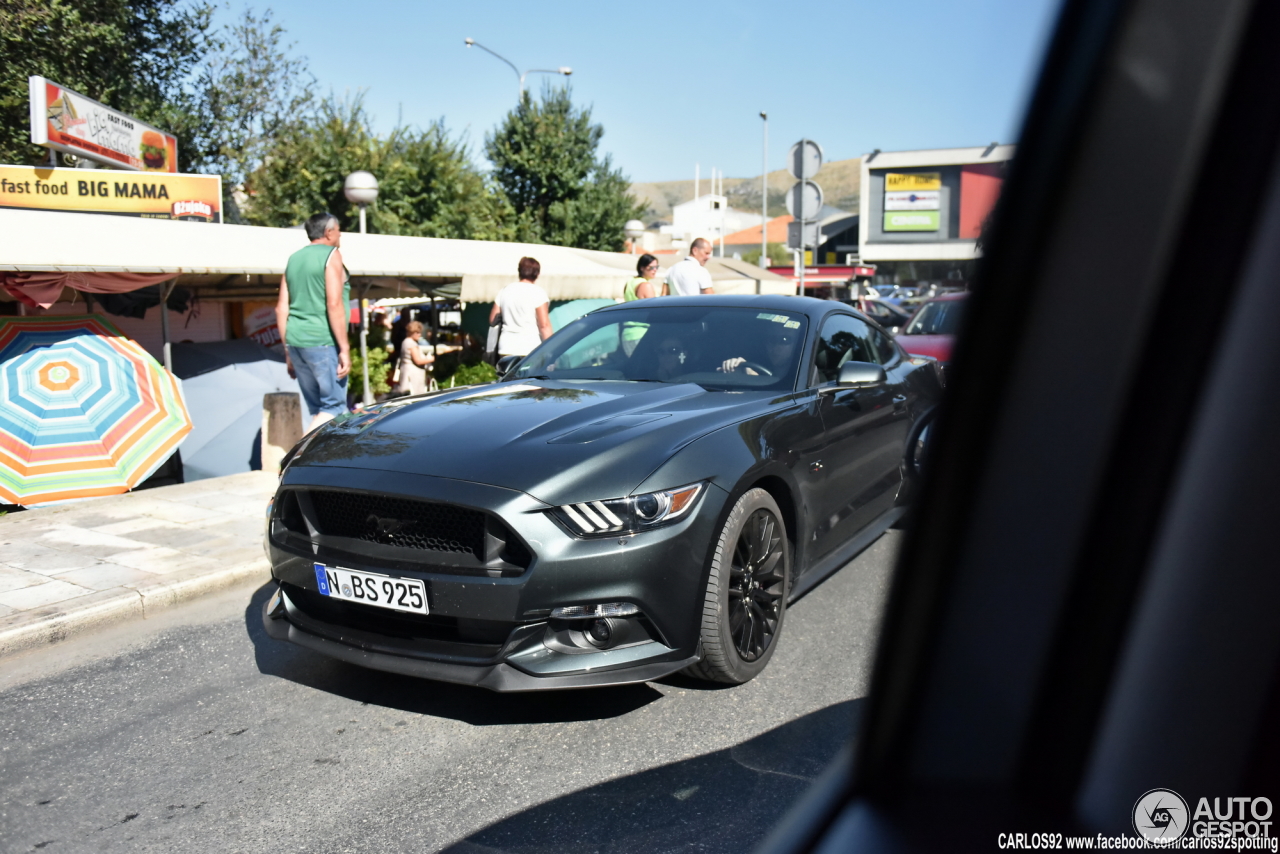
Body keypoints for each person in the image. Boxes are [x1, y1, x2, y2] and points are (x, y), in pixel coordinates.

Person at [276, 212, 350, 431]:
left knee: (319, 409)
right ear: (328, 232)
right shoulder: (332, 254)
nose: (340, 234)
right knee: (334, 407)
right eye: (338, 229)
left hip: (296, 341)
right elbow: (334, 303)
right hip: (322, 340)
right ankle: (298, 456)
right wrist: (344, 348)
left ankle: (321, 461)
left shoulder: (293, 258)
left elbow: (281, 308)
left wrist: (288, 352)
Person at [489, 256, 552, 358]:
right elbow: (544, 325)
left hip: (506, 347)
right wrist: (552, 348)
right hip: (530, 348)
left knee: (509, 374)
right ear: (537, 274)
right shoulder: (538, 293)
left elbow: (493, 319)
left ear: (519, 272)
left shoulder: (505, 291)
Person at [620, 254, 666, 356]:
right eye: (651, 267)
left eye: (656, 267)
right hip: (642, 333)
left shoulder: (630, 283)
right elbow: (656, 312)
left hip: (628, 334)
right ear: (642, 268)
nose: (655, 270)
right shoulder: (646, 285)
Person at [720, 325, 800, 376]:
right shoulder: (756, 366)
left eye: (785, 340)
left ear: (797, 344)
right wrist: (733, 367)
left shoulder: (802, 377)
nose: (776, 346)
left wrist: (753, 377)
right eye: (772, 339)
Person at [394, 320, 434, 395]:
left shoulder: (406, 342)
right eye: (417, 332)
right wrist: (431, 359)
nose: (419, 335)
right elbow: (418, 360)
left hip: (407, 372)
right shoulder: (411, 343)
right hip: (412, 375)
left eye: (420, 332)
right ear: (411, 332)